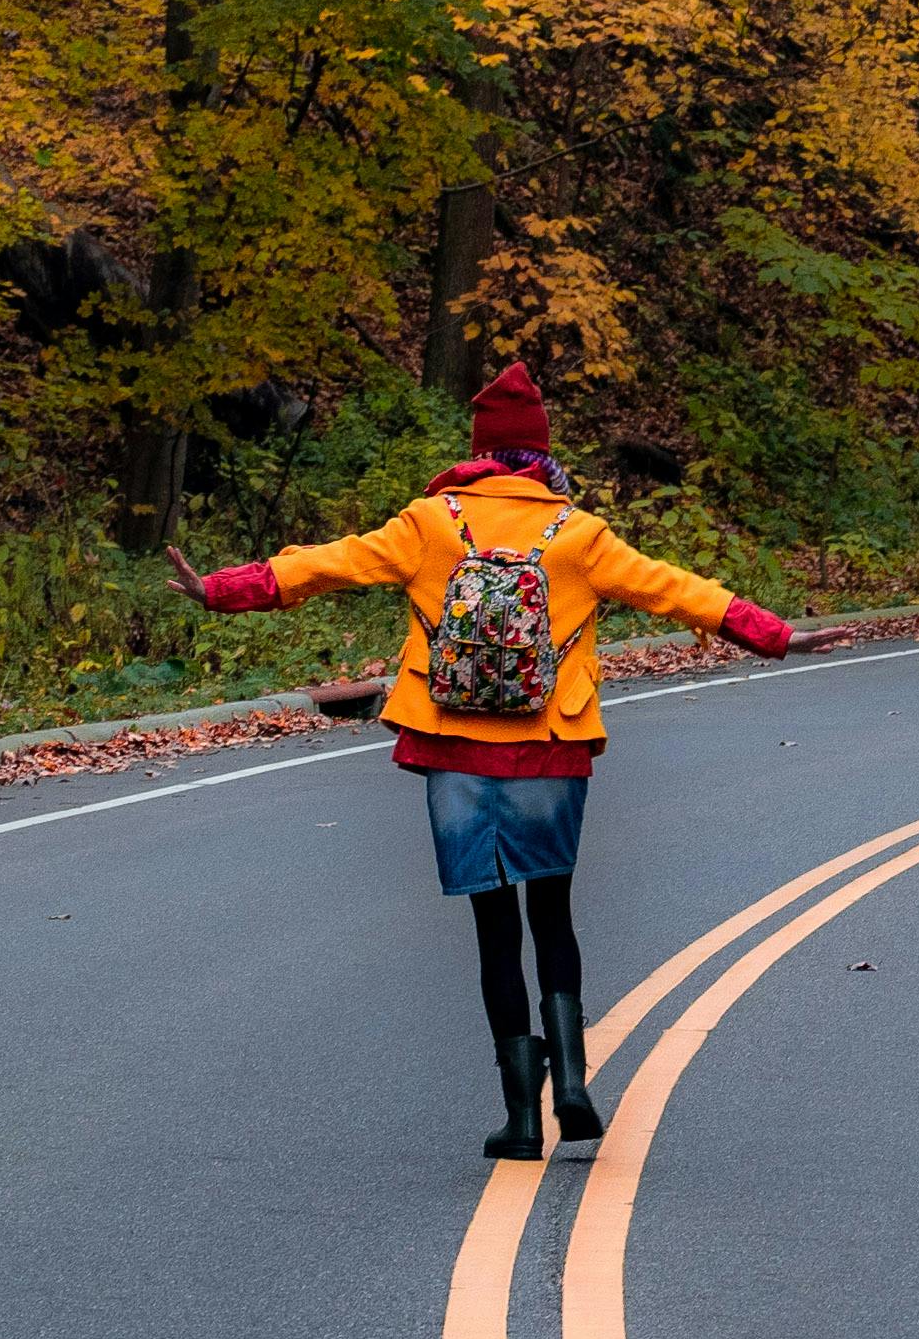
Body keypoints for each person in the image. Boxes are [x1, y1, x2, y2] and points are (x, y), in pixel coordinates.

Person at [166, 364, 796, 1159]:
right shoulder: (578, 533)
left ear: (477, 451)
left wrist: (224, 588)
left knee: (494, 929)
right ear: (540, 451)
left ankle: (522, 1117)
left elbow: (329, 563)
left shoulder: (431, 523)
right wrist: (774, 634)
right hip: (550, 747)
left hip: (454, 748)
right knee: (553, 915)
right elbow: (675, 591)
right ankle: (572, 1081)